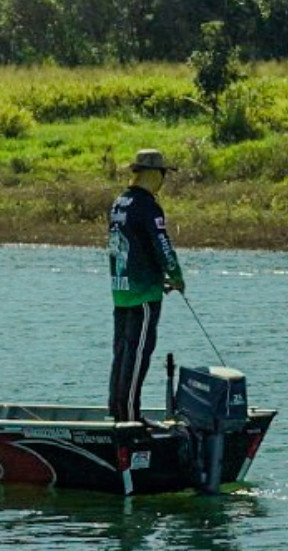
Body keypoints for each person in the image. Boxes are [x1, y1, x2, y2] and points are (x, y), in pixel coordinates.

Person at [107, 149, 185, 423]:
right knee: (138, 355)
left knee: (122, 353)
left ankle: (117, 412)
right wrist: (176, 275)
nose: (164, 179)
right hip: (143, 296)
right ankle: (129, 420)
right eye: (163, 173)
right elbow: (161, 245)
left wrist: (155, 274)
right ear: (151, 174)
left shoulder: (119, 203)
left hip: (121, 291)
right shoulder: (148, 206)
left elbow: (136, 247)